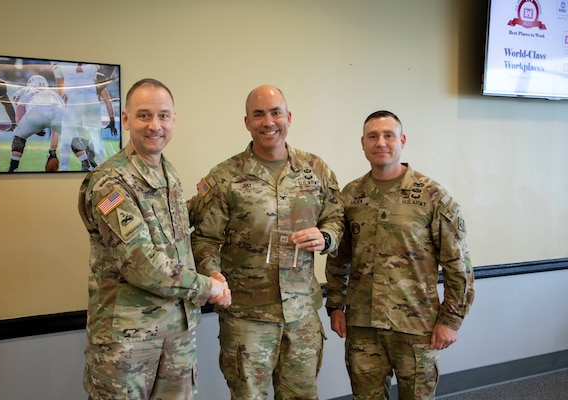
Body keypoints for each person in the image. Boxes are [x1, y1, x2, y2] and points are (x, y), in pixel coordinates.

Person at [78, 78, 231, 400]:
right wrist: (209, 287)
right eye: (144, 115)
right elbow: (142, 264)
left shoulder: (168, 174)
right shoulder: (110, 183)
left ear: (174, 119)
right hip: (128, 342)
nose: (154, 126)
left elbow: (174, 238)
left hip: (177, 335)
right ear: (126, 119)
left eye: (163, 116)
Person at [189, 85, 344, 399]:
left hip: (301, 315)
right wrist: (212, 273)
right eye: (258, 114)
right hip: (248, 318)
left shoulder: (315, 170)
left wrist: (326, 237)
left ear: (288, 117)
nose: (268, 121)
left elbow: (337, 217)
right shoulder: (224, 177)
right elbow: (204, 238)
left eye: (275, 113)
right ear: (247, 122)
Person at [325, 110, 475, 400]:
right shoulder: (351, 196)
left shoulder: (432, 196)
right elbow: (338, 258)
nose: (381, 142)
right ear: (363, 143)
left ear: (402, 140)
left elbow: (458, 266)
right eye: (373, 136)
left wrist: (451, 320)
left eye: (388, 135)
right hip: (363, 325)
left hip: (416, 326)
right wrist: (335, 306)